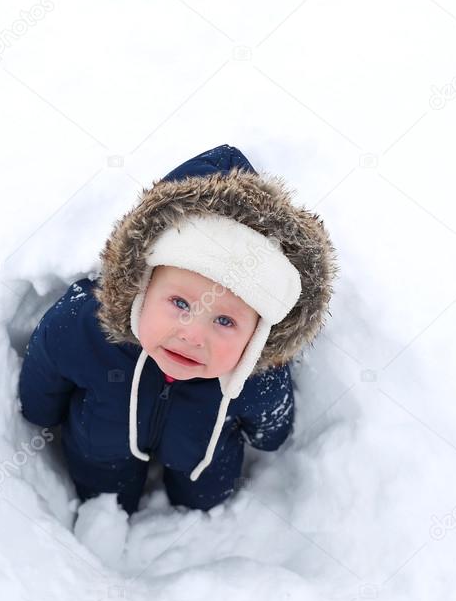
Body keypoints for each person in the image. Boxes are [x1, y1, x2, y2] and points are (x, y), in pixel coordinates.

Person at [18, 144, 338, 514]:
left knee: (205, 499)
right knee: (103, 494)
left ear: (258, 336)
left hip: (202, 459)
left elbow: (271, 427)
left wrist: (271, 436)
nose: (191, 334)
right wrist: (39, 411)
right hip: (100, 444)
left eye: (224, 321)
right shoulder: (85, 324)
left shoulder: (254, 372)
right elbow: (47, 362)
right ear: (142, 284)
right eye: (180, 304)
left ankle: (196, 510)